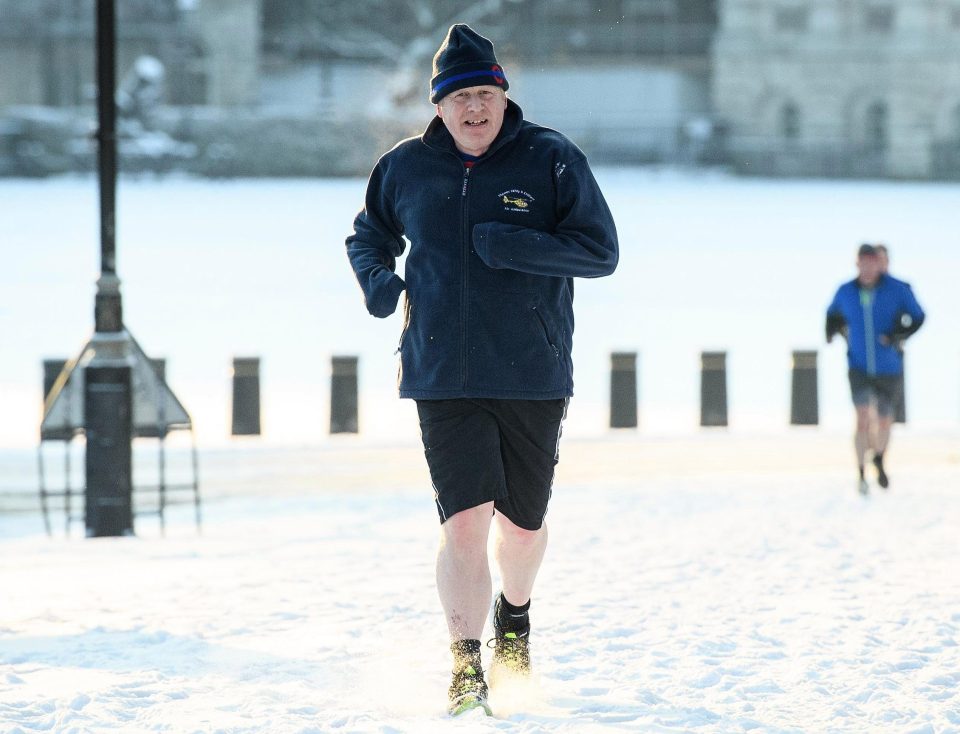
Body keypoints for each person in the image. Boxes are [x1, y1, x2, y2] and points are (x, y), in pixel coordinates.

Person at [345, 24, 618, 715]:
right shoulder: (405, 167)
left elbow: (599, 251)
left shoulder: (551, 160)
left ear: (503, 97)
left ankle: (515, 618)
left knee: (521, 526)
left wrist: (516, 246)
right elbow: (368, 233)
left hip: (531, 368)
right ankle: (466, 666)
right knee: (464, 523)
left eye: (484, 94)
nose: (474, 109)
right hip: (441, 370)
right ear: (437, 106)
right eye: (460, 97)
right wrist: (378, 279)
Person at [826, 244, 925, 495]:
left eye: (877, 262)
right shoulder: (846, 291)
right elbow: (831, 315)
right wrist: (833, 331)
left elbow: (918, 316)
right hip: (858, 365)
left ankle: (879, 459)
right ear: (857, 263)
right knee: (861, 417)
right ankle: (860, 473)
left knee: (883, 420)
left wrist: (897, 335)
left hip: (888, 366)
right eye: (866, 262)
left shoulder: (897, 289)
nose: (872, 268)